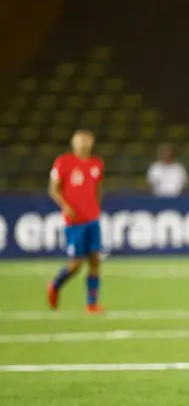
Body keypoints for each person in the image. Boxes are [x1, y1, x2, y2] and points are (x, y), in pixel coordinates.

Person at [47, 129, 105, 313]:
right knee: (76, 264)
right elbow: (53, 189)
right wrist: (65, 206)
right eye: (80, 141)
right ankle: (55, 285)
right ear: (73, 144)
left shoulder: (97, 164)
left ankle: (92, 303)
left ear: (91, 143)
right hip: (74, 222)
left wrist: (96, 208)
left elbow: (97, 188)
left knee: (95, 260)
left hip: (92, 219)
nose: (83, 144)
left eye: (86, 141)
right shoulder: (63, 162)